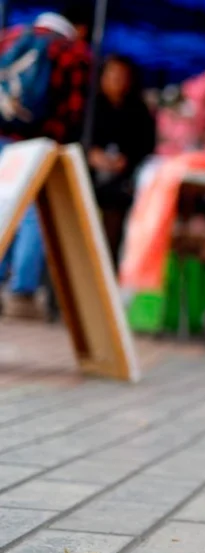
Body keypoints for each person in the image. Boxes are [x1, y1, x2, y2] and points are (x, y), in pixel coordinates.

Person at [0, 3, 92, 319]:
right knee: (33, 216)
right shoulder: (73, 51)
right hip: (40, 143)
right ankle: (21, 293)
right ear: (81, 26)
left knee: (1, 209)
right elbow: (74, 110)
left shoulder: (9, 37)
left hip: (3, 137)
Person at [89, 54, 156, 268]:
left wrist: (126, 161)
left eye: (122, 76)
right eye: (112, 74)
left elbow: (146, 146)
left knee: (111, 236)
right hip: (87, 180)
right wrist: (91, 154)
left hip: (119, 187)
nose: (117, 80)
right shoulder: (90, 107)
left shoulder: (138, 110)